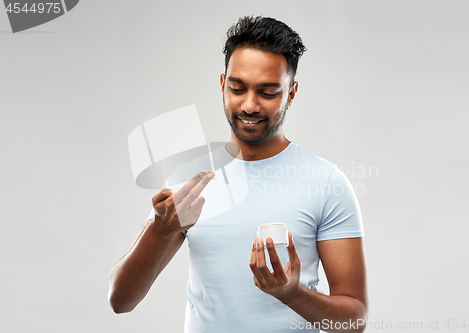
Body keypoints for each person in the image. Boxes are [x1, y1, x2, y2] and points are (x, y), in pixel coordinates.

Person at [109, 16, 368, 333]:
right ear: (222, 86)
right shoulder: (190, 179)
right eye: (237, 88)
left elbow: (355, 321)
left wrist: (292, 295)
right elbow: (120, 301)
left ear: (292, 93)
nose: (249, 105)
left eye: (268, 91)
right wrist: (159, 231)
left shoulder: (326, 183)